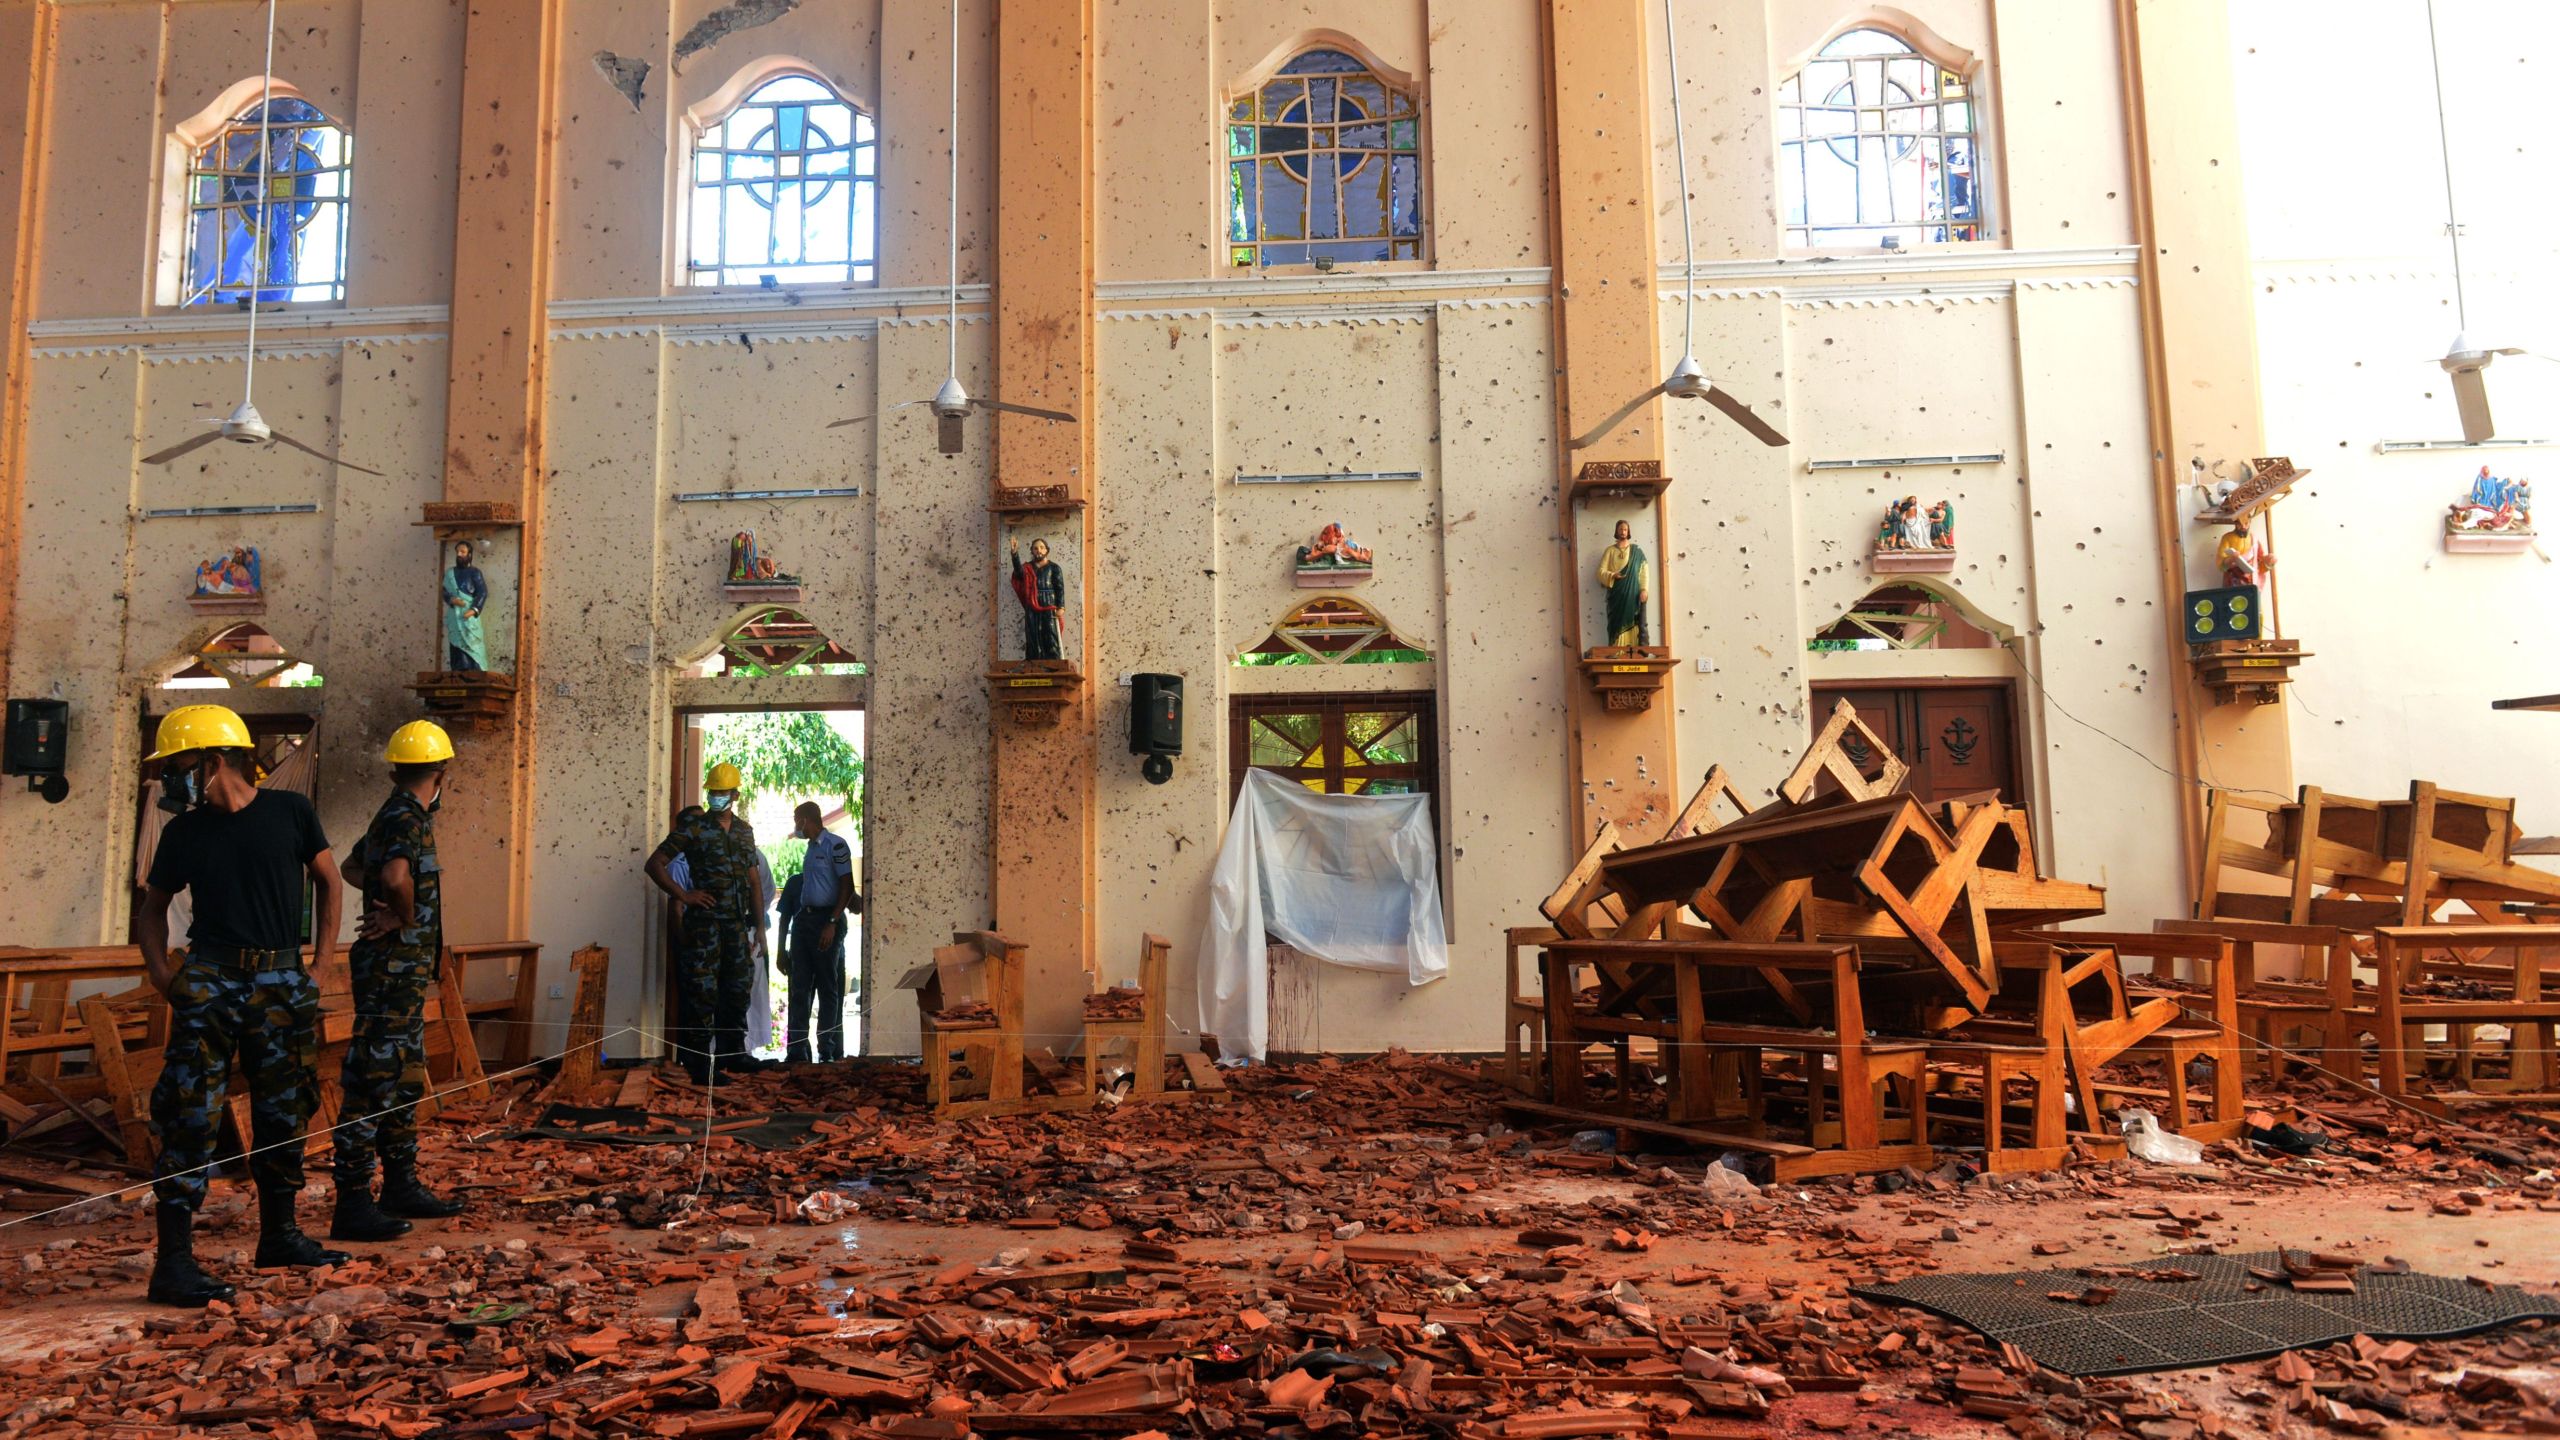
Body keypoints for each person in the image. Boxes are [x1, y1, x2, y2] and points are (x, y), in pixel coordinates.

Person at [134, 703, 347, 1307]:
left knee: (285, 1109)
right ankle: (173, 1264)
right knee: (188, 1113)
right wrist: (162, 975)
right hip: (210, 978)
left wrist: (320, 967)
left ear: (215, 759)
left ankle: (280, 1235)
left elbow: (330, 881)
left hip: (281, 980)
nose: (170, 776)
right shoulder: (183, 832)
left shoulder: (291, 812)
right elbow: (153, 908)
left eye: (178, 763)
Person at [328, 720, 468, 1243]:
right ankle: (353, 1201)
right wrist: (400, 915)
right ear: (440, 772)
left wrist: (390, 902)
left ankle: (401, 1184)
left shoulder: (392, 816)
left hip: (401, 976)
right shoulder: (406, 817)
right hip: (391, 971)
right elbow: (389, 876)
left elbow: (351, 867)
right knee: (373, 1079)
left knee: (404, 1077)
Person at [644, 764, 760, 1082]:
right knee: (702, 993)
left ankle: (733, 1055)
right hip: (705, 926)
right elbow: (654, 864)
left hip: (736, 926)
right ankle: (698, 1065)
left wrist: (759, 927)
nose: (718, 797)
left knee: (737, 991)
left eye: (724, 792)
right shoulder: (693, 828)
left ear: (736, 794)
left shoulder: (743, 831)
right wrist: (684, 894)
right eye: (714, 792)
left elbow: (753, 881)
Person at [784, 801, 857, 1066]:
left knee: (827, 987)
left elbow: (847, 886)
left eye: (797, 819)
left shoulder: (835, 845)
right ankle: (796, 1051)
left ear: (806, 819)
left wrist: (832, 921)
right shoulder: (810, 848)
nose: (795, 825)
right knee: (799, 987)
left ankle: (826, 1049)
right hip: (805, 919)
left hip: (827, 919)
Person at [1009, 537, 1065, 661]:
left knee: (1050, 633)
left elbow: (1059, 588)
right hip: (1032, 606)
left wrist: (1061, 607)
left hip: (1049, 606)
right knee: (1032, 634)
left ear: (1047, 550)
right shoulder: (1028, 568)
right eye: (1035, 548)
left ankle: (1053, 662)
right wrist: (1014, 554)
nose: (1038, 550)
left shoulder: (1054, 568)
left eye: (1041, 547)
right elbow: (1018, 573)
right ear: (1032, 551)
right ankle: (1033, 661)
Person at [1596, 519, 1649, 648]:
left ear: (1628, 532)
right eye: (1620, 529)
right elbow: (1600, 572)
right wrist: (1612, 575)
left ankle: (1634, 650)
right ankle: (1616, 649)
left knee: (1635, 619)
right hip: (1616, 595)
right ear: (1616, 531)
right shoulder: (1610, 551)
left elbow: (1644, 571)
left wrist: (1644, 589)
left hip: (1633, 594)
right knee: (1616, 622)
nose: (1623, 532)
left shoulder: (1637, 552)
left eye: (1625, 529)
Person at [444, 540, 488, 673]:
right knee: (456, 640)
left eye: (462, 552)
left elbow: (482, 592)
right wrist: (451, 599)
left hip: (468, 614)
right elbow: (444, 591)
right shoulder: (449, 573)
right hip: (454, 613)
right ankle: (459, 668)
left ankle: (475, 667)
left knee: (472, 640)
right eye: (457, 552)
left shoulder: (475, 572)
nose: (459, 554)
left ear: (469, 554)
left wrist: (474, 610)